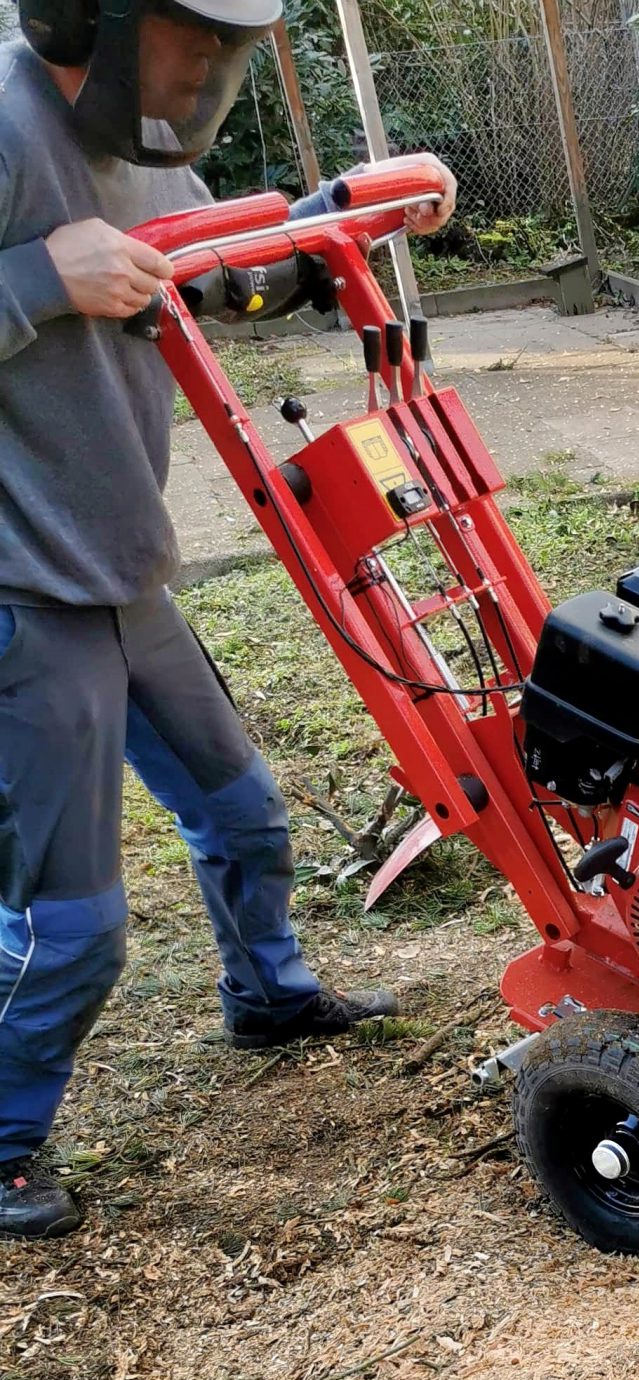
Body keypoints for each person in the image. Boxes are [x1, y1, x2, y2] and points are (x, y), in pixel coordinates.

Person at [0, 0, 456, 1238]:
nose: (207, 65)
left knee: (244, 815)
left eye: (223, 46)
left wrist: (338, 221)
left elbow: (220, 274)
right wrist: (37, 277)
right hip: (20, 593)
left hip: (120, 564)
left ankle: (269, 995)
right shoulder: (2, 124)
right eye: (193, 35)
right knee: (72, 927)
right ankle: (1, 1145)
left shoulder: (137, 146)